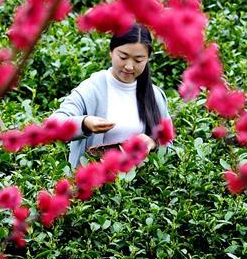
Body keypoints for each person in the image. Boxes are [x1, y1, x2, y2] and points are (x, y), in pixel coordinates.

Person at [50, 24, 171, 169]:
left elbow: (169, 145)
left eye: (138, 60)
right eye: (123, 57)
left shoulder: (155, 96)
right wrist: (85, 123)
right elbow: (53, 125)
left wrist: (153, 143)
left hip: (134, 189)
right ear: (111, 52)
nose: (129, 66)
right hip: (93, 186)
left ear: (147, 59)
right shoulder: (92, 89)